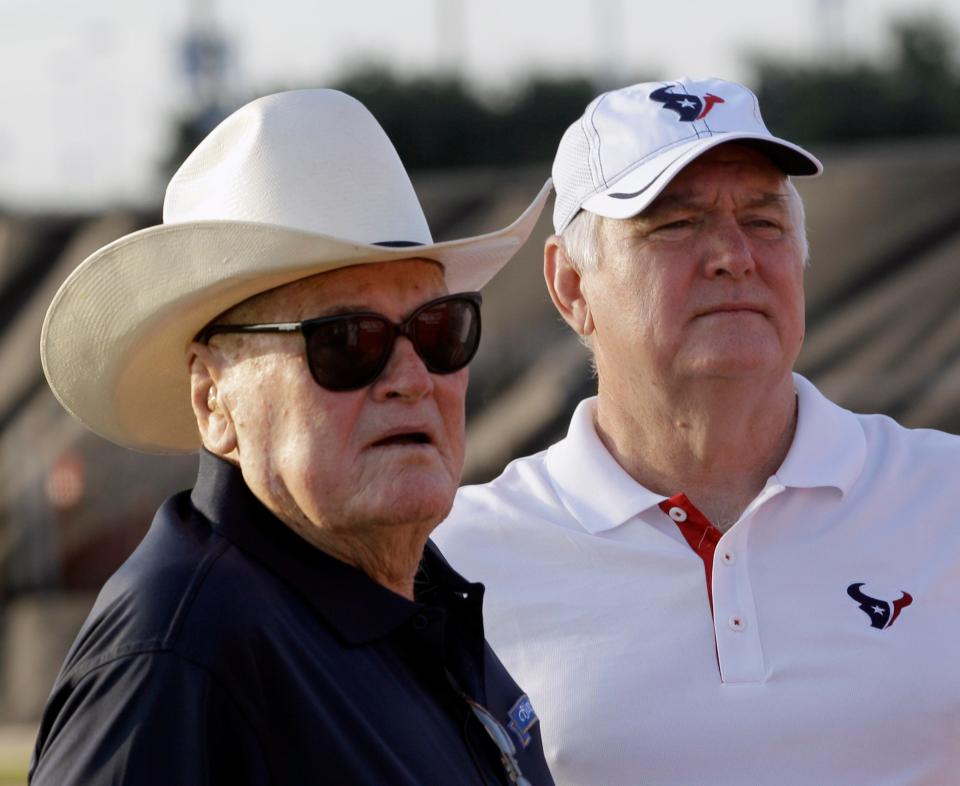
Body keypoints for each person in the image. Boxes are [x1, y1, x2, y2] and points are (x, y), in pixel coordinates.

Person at [434, 77, 960, 785]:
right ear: (570, 285)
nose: (733, 255)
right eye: (675, 224)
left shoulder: (944, 495)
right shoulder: (453, 565)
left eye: (764, 221)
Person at [31, 88, 555, 786]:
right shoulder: (176, 659)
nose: (412, 377)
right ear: (212, 397)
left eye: (439, 329)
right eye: (345, 340)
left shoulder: (412, 606)